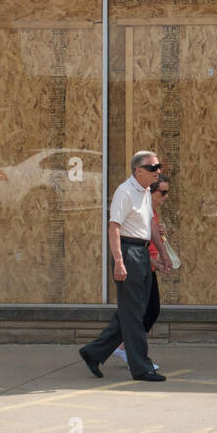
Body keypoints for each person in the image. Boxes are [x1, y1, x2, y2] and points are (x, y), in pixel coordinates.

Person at [78, 150, 167, 382]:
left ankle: (93, 352)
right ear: (138, 170)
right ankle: (141, 367)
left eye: (159, 167)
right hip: (128, 253)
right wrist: (119, 261)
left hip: (141, 251)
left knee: (135, 311)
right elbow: (114, 227)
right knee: (133, 315)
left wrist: (164, 254)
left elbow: (150, 225)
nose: (158, 171)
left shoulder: (146, 191)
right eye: (152, 168)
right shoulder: (125, 192)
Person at [111, 174, 173, 369]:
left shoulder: (152, 213)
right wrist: (155, 261)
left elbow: (151, 242)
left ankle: (103, 349)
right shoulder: (141, 210)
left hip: (148, 266)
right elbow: (136, 247)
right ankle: (128, 352)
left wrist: (162, 242)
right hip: (141, 266)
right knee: (143, 313)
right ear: (151, 192)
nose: (166, 196)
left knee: (143, 312)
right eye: (162, 192)